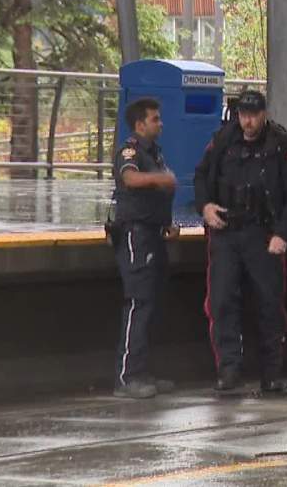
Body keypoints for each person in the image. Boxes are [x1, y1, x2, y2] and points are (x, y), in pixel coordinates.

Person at [194, 90, 287, 393]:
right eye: (244, 115)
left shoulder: (280, 145)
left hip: (263, 234)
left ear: (264, 113)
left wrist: (282, 233)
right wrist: (204, 207)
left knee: (269, 304)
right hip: (226, 232)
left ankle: (271, 373)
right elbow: (201, 176)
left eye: (254, 115)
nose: (248, 121)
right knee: (221, 302)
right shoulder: (223, 141)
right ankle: (228, 370)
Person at [110, 97, 179, 399]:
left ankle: (142, 370)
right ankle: (127, 376)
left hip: (154, 233)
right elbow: (130, 177)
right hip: (135, 235)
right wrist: (160, 178)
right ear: (140, 125)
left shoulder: (155, 152)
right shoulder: (131, 150)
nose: (160, 123)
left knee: (152, 302)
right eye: (155, 119)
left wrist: (167, 221)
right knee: (138, 302)